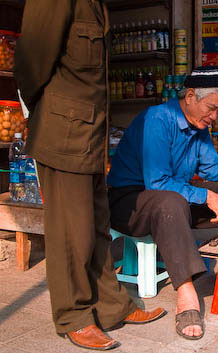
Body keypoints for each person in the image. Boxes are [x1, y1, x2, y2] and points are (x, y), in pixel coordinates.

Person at [14, 1, 165, 350]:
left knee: (96, 227)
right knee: (71, 233)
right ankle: (74, 316)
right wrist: (47, 109)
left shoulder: (94, 3)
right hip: (63, 132)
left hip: (91, 135)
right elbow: (32, 61)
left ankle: (112, 306)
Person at [107, 66, 218, 340]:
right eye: (211, 108)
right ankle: (187, 295)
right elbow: (157, 182)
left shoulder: (199, 127)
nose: (214, 117)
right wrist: (206, 196)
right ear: (190, 95)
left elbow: (215, 170)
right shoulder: (158, 119)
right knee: (170, 201)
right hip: (130, 203)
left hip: (173, 197)